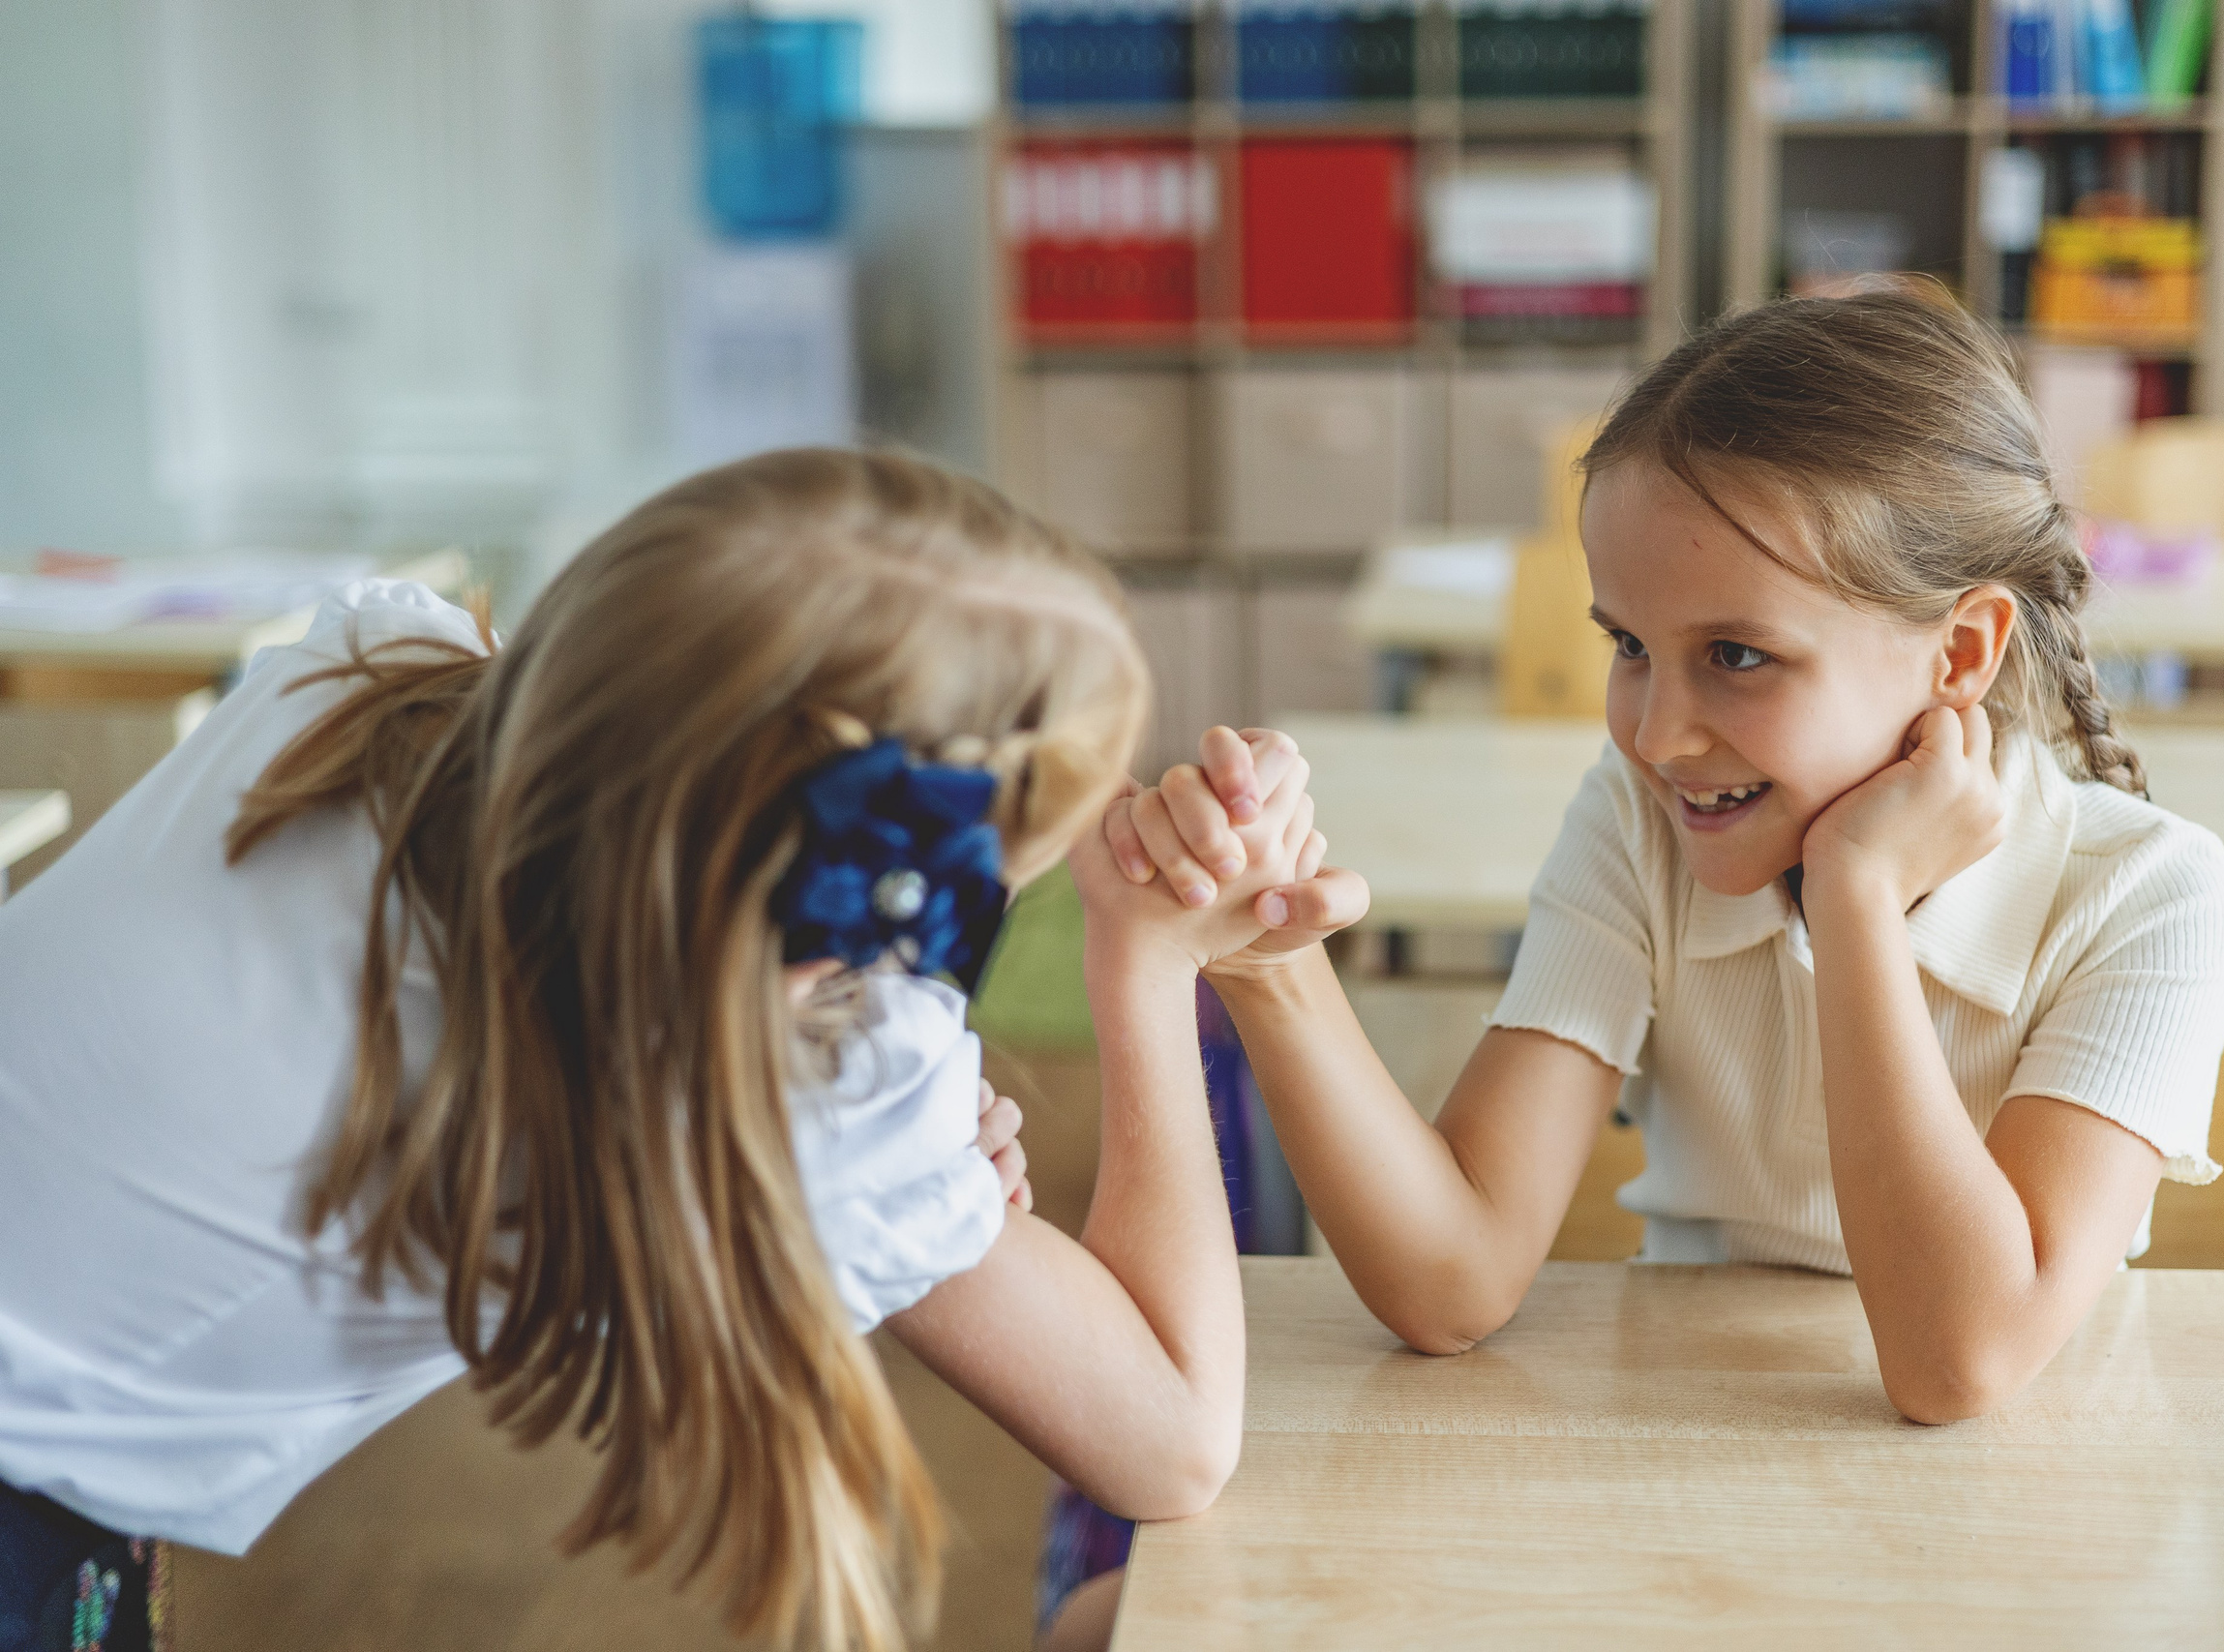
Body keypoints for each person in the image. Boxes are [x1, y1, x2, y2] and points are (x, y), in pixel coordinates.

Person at [0, 450, 1311, 1652]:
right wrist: (1148, 959)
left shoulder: (366, 672)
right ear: (889, 904)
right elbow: (1174, 1442)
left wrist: (908, 1166)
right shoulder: (806, 1099)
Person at [1099, 287, 2224, 1425]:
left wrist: (1856, 901)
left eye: (1738, 656)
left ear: (1958, 654)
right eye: (1628, 646)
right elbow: (1448, 1285)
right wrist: (1269, 958)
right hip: (1684, 1443)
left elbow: (1958, 1363)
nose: (1655, 737)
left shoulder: (2154, 898)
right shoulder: (1639, 823)